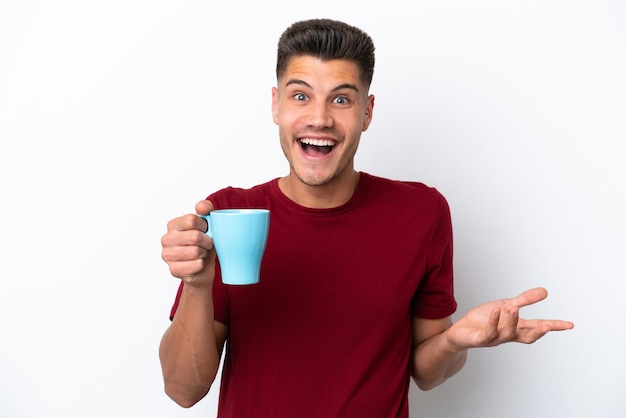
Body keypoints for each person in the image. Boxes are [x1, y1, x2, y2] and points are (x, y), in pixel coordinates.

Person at [159, 18, 574, 417]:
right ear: (275, 104)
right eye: (300, 95)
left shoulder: (421, 213)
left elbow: (427, 373)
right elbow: (183, 390)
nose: (319, 118)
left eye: (341, 99)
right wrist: (197, 285)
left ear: (367, 112)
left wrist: (453, 342)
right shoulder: (227, 214)